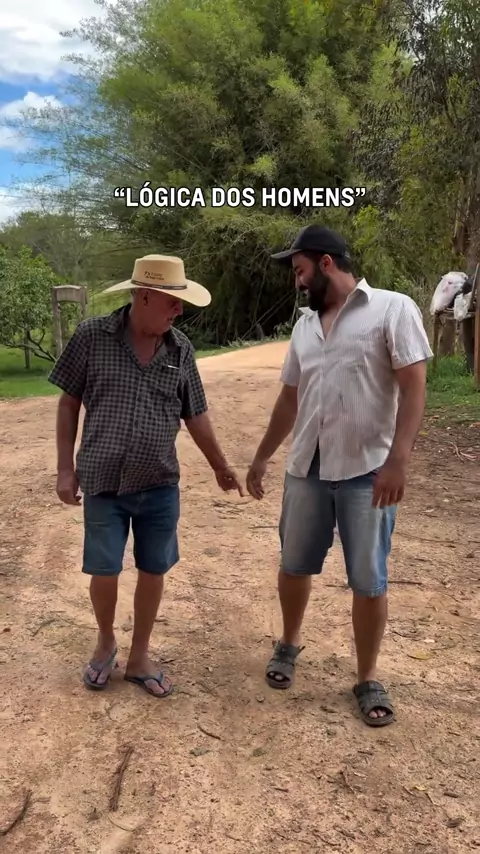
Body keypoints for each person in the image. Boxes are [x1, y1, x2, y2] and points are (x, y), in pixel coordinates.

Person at [246, 225, 433, 727]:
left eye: (300, 270)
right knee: (294, 565)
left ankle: (367, 676)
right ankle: (288, 644)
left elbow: (414, 386)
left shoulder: (392, 309)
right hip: (306, 468)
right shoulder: (305, 327)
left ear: (326, 264)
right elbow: (290, 398)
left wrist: (399, 460)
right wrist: (262, 457)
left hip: (367, 471)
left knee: (369, 580)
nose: (297, 282)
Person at [49, 254, 242, 699]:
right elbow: (68, 402)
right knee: (104, 569)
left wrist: (220, 465)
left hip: (159, 483)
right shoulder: (91, 337)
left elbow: (196, 414)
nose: (179, 310)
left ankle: (139, 656)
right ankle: (105, 643)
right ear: (144, 296)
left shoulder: (180, 350)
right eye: (172, 301)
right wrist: (64, 468)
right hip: (103, 481)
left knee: (153, 568)